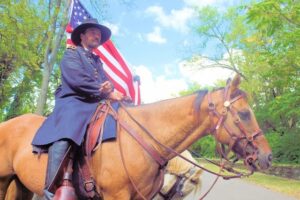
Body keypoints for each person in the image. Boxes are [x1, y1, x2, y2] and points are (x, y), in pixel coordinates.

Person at [31, 18, 125, 199]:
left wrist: (111, 89)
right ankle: (52, 188)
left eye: (98, 34)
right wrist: (102, 90)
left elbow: (105, 81)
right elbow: (76, 80)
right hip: (73, 100)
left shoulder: (97, 61)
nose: (96, 36)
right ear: (82, 36)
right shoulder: (72, 54)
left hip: (95, 101)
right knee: (69, 125)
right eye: (92, 32)